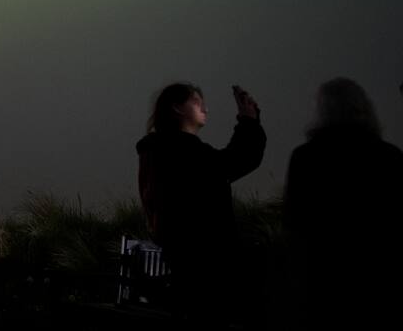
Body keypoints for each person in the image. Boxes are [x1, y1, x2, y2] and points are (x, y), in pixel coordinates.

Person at [136, 83, 265, 325]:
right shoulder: (180, 151)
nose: (205, 108)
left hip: (185, 263)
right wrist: (248, 121)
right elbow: (232, 161)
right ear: (177, 107)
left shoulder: (158, 151)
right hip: (204, 268)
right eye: (196, 101)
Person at [283, 78, 403, 329]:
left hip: (322, 281)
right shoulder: (390, 157)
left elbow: (294, 225)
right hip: (380, 279)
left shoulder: (306, 158)